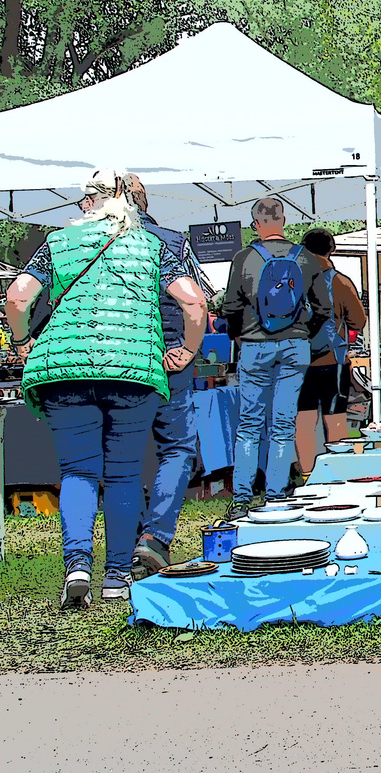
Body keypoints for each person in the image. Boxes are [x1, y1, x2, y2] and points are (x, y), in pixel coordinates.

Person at [5, 171, 206, 606]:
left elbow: (18, 297)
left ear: (86, 203)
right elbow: (194, 301)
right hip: (134, 371)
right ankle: (116, 578)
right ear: (127, 199)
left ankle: (77, 567)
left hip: (66, 372)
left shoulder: (59, 243)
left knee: (77, 472)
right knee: (123, 473)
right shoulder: (152, 246)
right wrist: (189, 350)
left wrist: (22, 342)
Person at [122, 175, 212, 581]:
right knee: (176, 448)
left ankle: (123, 549)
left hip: (114, 359)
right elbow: (200, 295)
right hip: (168, 356)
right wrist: (189, 349)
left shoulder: (83, 244)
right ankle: (155, 538)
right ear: (143, 201)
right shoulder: (171, 241)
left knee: (119, 455)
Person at [221, 197, 333, 519]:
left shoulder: (244, 258)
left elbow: (230, 308)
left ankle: (242, 497)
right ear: (284, 220)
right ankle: (275, 495)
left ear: (255, 224)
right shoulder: (306, 258)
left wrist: (242, 335)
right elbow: (323, 309)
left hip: (255, 346)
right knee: (284, 422)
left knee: (249, 423)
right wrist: (303, 333)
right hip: (295, 347)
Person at [294, 229, 367, 478]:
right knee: (335, 418)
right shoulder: (338, 281)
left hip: (298, 360)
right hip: (332, 360)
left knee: (303, 420)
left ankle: (307, 476)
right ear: (331, 249)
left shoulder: (294, 279)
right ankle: (338, 474)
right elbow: (358, 320)